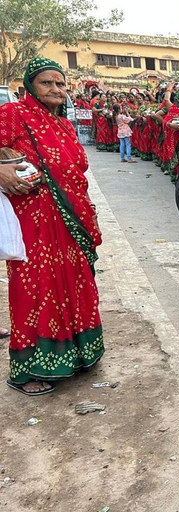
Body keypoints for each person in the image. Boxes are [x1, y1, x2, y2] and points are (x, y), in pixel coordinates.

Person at [0, 57, 104, 396]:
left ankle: (76, 356)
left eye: (60, 84)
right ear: (31, 86)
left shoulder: (64, 125)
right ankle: (29, 370)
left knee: (74, 284)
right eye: (47, 83)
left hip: (71, 219)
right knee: (35, 289)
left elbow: (76, 172)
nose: (56, 89)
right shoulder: (13, 115)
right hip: (33, 220)